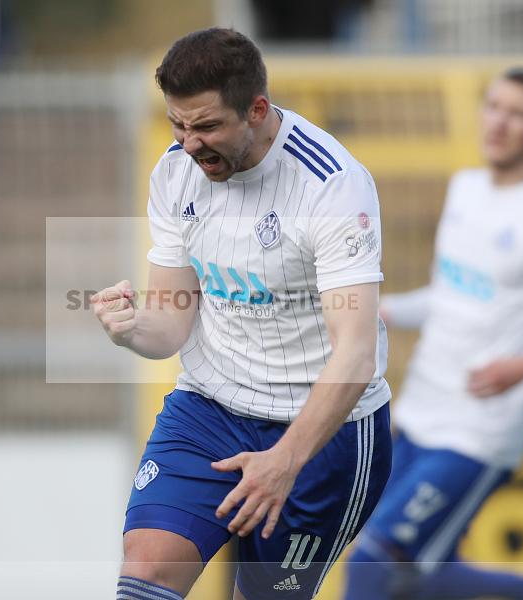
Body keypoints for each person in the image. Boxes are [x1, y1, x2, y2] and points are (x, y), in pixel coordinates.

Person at [92, 27, 392, 600]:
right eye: (178, 125)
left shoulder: (332, 185)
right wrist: (132, 328)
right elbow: (171, 323)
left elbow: (354, 352)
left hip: (323, 434)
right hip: (209, 410)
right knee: (147, 568)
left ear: (257, 110)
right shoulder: (175, 172)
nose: (189, 144)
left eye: (206, 127)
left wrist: (285, 460)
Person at [342, 67, 523, 600]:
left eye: (518, 114)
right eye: (494, 107)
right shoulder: (465, 188)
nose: (499, 123)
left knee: (374, 560)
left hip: (479, 432)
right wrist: (384, 310)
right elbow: (453, 296)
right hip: (419, 411)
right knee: (418, 569)